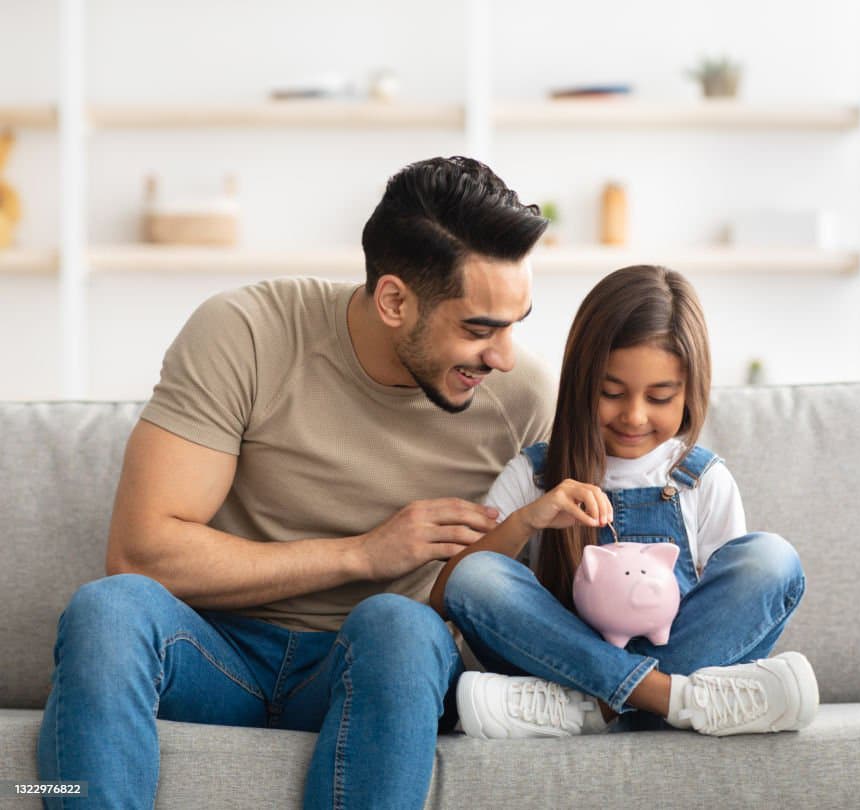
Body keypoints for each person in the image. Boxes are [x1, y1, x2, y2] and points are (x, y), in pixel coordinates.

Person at [37, 156, 555, 809]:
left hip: (370, 665)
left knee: (402, 626)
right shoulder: (247, 334)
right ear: (395, 299)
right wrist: (362, 553)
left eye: (516, 323)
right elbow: (141, 553)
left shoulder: (525, 398)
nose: (503, 356)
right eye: (479, 329)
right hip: (214, 650)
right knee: (108, 609)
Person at [430, 265, 819, 739]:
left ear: (689, 394)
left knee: (770, 559)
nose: (634, 416)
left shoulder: (703, 480)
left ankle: (590, 709)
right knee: (479, 573)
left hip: (584, 681)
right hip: (560, 661)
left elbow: (727, 615)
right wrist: (529, 521)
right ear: (581, 384)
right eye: (611, 393)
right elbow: (449, 594)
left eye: (659, 397)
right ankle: (667, 701)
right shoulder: (535, 474)